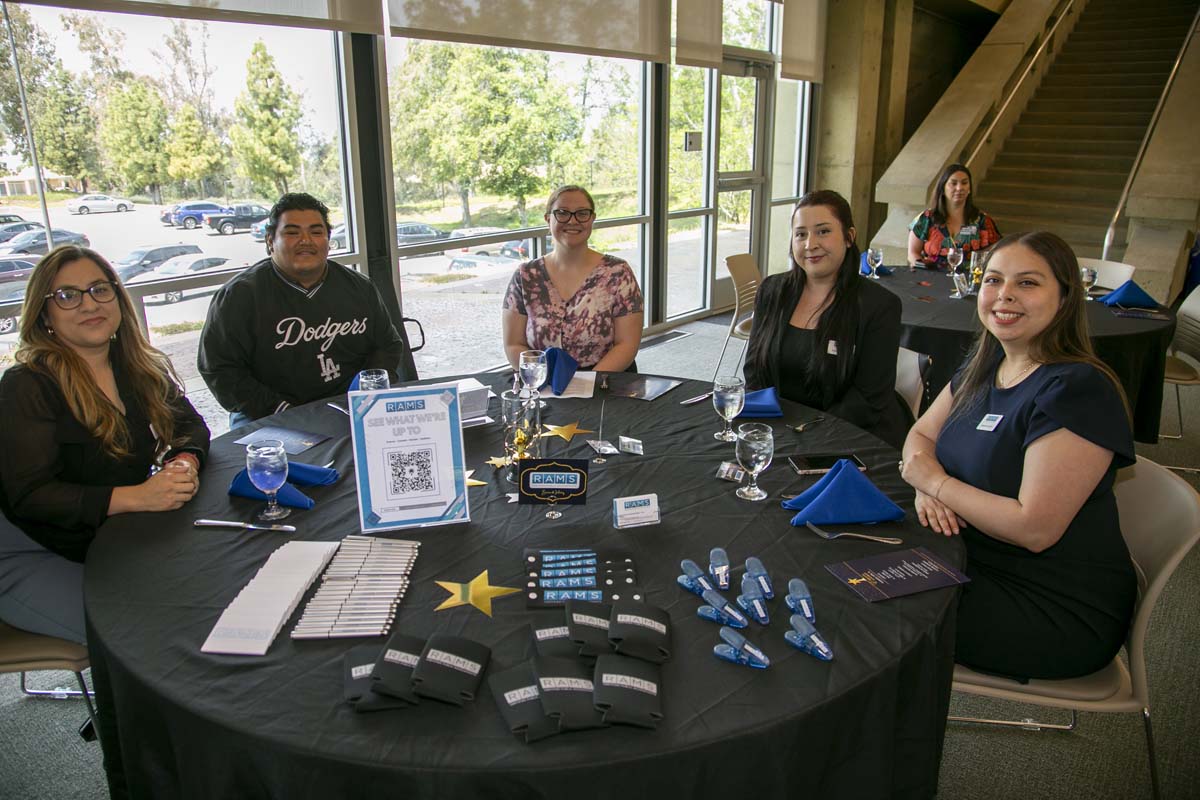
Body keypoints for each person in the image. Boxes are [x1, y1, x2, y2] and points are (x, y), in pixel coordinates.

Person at [900, 231, 1135, 681]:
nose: (1004, 295)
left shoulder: (1076, 390)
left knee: (867, 609)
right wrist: (924, 487)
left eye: (1028, 283)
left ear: (1066, 298)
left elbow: (1035, 528)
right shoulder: (984, 365)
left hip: (1051, 604)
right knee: (845, 565)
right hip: (967, 556)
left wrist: (934, 483)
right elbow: (919, 438)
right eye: (993, 280)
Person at [0, 246, 209, 644]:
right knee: (145, 636)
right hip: (32, 549)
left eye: (99, 289)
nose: (88, 304)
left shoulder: (136, 366)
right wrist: (138, 497)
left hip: (107, 537)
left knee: (201, 594)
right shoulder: (26, 385)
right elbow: (31, 496)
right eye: (67, 295)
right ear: (44, 313)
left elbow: (192, 427)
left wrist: (184, 462)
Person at [198, 193, 407, 425]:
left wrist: (363, 395)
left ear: (328, 240)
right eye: (292, 232)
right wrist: (279, 409)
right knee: (272, 462)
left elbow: (388, 345)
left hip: (347, 404)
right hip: (269, 412)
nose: (306, 240)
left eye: (316, 232)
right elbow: (220, 369)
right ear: (270, 240)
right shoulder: (238, 296)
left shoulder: (359, 287)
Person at [744, 189, 908, 448]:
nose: (810, 244)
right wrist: (765, 430)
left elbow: (867, 400)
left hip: (851, 438)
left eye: (823, 231)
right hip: (780, 434)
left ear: (849, 237)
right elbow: (754, 373)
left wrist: (805, 435)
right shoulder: (772, 291)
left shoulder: (879, 306)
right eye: (801, 234)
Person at [502, 185, 643, 371]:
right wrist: (543, 379)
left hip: (604, 384)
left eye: (582, 213)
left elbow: (626, 345)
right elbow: (514, 344)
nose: (572, 220)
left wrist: (588, 385)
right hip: (543, 384)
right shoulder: (526, 276)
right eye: (562, 213)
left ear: (592, 219)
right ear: (548, 219)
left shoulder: (618, 273)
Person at [907, 163, 1001, 269]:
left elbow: (996, 254)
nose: (959, 188)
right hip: (931, 279)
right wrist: (922, 269)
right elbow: (913, 254)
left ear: (969, 188)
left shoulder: (982, 220)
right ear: (942, 188)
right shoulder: (926, 218)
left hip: (968, 281)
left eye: (964, 183)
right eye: (954, 183)